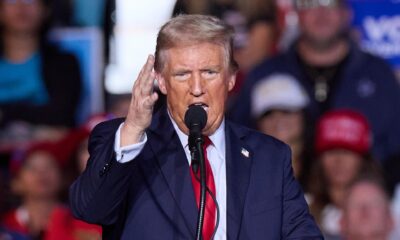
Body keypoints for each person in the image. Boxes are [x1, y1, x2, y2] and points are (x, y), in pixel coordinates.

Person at [70, 14, 322, 239]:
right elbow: (90, 209)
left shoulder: (270, 157)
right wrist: (133, 129)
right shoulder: (127, 144)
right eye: (182, 74)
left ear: (231, 78)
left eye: (209, 72)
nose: (197, 88)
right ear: (161, 80)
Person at [229, 0, 400, 163]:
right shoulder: (264, 74)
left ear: (347, 12)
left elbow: (394, 147)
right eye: (310, 3)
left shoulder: (378, 74)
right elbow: (238, 143)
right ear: (296, 13)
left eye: (330, 2)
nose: (321, 12)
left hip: (366, 188)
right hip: (281, 187)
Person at [0, 0, 82, 129]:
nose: (21, 7)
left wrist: (5, 112)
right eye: (12, 1)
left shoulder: (64, 63)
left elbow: (61, 116)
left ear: (45, 10)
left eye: (30, 1)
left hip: (49, 147)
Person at [2, 141, 101, 240]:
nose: (42, 173)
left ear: (63, 178)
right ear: (16, 182)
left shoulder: (87, 224)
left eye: (49, 167)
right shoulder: (5, 226)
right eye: (32, 168)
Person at [308, 109, 381, 239]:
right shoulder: (301, 208)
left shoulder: (387, 210)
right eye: (331, 150)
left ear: (363, 160)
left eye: (347, 151)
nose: (339, 160)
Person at [251, 73, 310, 187]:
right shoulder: (247, 170)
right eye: (268, 114)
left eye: (286, 111)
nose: (278, 120)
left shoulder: (324, 167)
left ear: (303, 116)